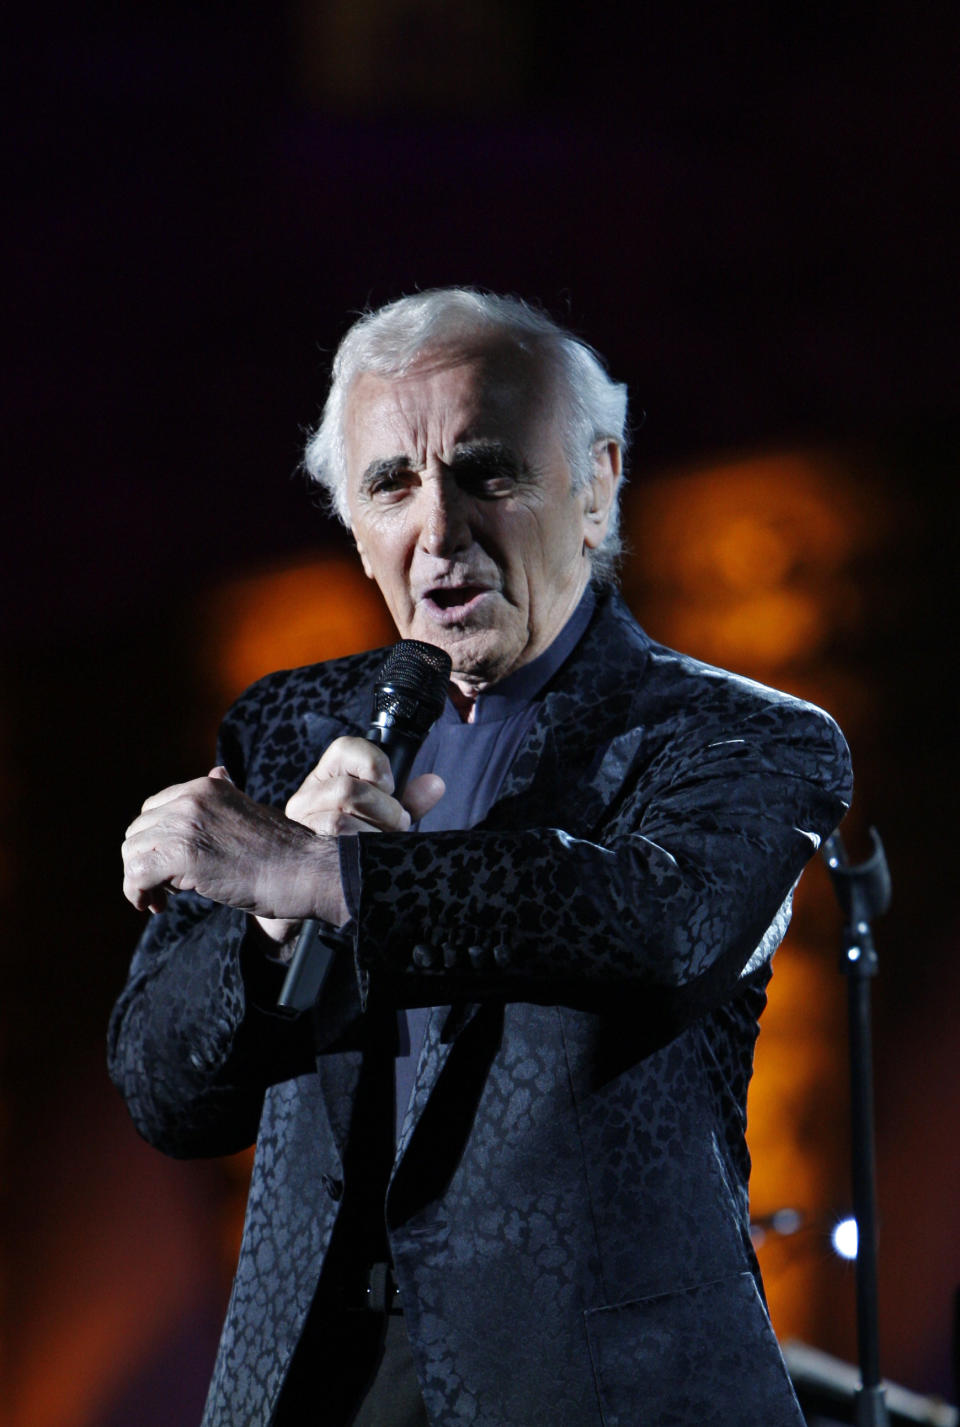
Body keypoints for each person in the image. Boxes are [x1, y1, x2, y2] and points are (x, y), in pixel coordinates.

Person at [110, 288, 853, 1426]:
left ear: (596, 487)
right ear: (356, 527)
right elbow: (167, 1088)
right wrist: (267, 921)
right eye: (392, 484)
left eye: (488, 470)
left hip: (599, 1390)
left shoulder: (741, 733)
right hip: (320, 1381)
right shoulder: (283, 729)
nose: (441, 530)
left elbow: (650, 927)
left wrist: (321, 876)